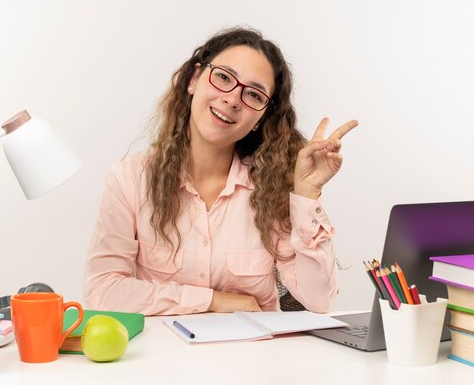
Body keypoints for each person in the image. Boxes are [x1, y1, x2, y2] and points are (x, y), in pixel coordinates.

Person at [83, 27, 358, 316]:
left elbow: (319, 301)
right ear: (194, 80)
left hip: (253, 356)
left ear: (259, 118)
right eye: (224, 77)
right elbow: (104, 289)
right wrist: (212, 301)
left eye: (253, 94)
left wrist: (306, 194)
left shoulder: (273, 185)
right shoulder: (130, 179)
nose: (233, 99)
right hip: (163, 357)